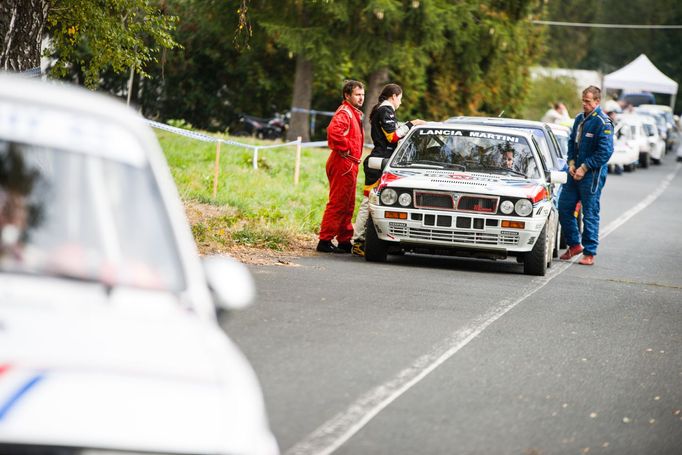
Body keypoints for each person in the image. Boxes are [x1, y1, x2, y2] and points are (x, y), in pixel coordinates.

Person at [351, 83, 425, 256]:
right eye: (400, 98)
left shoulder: (385, 110)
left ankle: (379, 241)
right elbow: (392, 136)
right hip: (379, 161)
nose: (400, 101)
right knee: (367, 203)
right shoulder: (386, 110)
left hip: (382, 160)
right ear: (393, 96)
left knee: (375, 203)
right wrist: (412, 123)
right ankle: (359, 241)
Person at [558, 86, 614, 266]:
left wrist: (584, 167)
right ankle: (574, 244)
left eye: (588, 101)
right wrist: (572, 163)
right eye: (583, 100)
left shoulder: (603, 122)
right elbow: (571, 143)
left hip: (592, 176)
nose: (584, 104)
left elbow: (605, 152)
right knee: (564, 207)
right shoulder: (579, 119)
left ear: (597, 102)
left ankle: (589, 252)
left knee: (590, 214)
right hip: (575, 171)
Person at [316, 80, 365, 253]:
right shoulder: (345, 112)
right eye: (357, 95)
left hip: (350, 163)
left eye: (362, 94)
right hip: (343, 162)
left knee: (348, 203)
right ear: (347, 95)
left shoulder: (353, 113)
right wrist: (345, 149)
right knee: (338, 203)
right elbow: (333, 131)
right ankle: (325, 240)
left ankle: (344, 239)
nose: (361, 98)